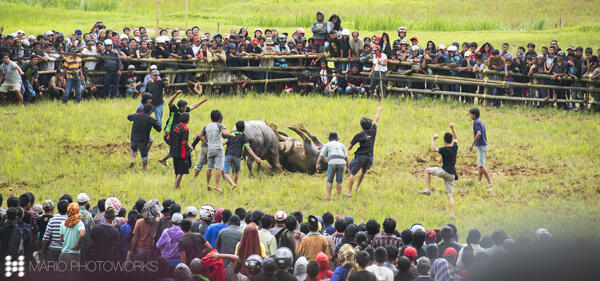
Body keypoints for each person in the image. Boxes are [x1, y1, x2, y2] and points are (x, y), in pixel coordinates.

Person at [418, 123, 458, 217]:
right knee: (450, 195)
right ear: (451, 140)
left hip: (444, 171)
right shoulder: (455, 148)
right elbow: (456, 138)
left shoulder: (444, 149)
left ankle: (427, 189)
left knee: (427, 170)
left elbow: (433, 149)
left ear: (444, 141)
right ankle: (451, 214)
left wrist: (433, 139)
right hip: (452, 174)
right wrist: (452, 128)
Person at [158, 90, 208, 166]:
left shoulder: (185, 111)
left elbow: (194, 106)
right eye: (184, 107)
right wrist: (176, 94)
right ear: (181, 107)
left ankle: (164, 160)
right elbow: (170, 103)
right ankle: (177, 165)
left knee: (176, 148)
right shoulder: (174, 110)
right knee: (178, 149)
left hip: (176, 134)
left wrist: (203, 101)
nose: (186, 108)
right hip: (168, 134)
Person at [346, 106, 383, 197]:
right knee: (363, 171)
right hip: (370, 157)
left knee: (352, 172)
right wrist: (378, 110)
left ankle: (349, 192)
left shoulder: (359, 135)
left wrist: (344, 150)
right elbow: (376, 120)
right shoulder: (373, 130)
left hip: (360, 157)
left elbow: (350, 147)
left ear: (362, 126)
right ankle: (357, 187)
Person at [197, 110, 237, 193]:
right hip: (218, 149)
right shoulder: (220, 125)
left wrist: (205, 142)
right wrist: (232, 134)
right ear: (219, 119)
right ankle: (217, 185)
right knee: (219, 167)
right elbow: (224, 132)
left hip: (210, 149)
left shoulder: (206, 126)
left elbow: (199, 135)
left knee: (209, 167)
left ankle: (208, 184)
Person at [223, 121, 262, 186]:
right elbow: (248, 148)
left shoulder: (231, 134)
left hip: (228, 155)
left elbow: (224, 143)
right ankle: (235, 184)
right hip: (237, 157)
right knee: (236, 172)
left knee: (225, 172)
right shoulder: (244, 137)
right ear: (244, 128)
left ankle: (232, 184)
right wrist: (256, 157)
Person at [128, 103, 162, 169]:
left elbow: (129, 117)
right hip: (143, 140)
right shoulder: (151, 119)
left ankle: (132, 160)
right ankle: (144, 168)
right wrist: (155, 122)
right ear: (150, 111)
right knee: (144, 154)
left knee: (133, 149)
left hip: (134, 138)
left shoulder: (136, 115)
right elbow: (159, 129)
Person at [316, 131, 349, 200]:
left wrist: (317, 164)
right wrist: (347, 168)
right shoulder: (342, 145)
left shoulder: (327, 145)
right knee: (339, 181)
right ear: (337, 139)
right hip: (342, 162)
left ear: (329, 139)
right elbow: (346, 157)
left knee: (329, 180)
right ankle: (338, 196)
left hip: (332, 162)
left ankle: (329, 196)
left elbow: (321, 155)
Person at [468, 108, 492, 186]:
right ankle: (478, 181)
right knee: (480, 165)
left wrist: (472, 144)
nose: (470, 116)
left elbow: (479, 134)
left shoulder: (476, 122)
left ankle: (489, 182)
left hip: (482, 146)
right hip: (483, 145)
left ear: (474, 115)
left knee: (481, 165)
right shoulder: (480, 121)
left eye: (471, 114)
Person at [58, 203, 86, 267]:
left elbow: (62, 238)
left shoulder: (63, 223)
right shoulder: (79, 223)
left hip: (63, 254)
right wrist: (77, 246)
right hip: (74, 255)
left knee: (61, 276)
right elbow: (82, 234)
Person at [170, 112, 192, 189]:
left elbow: (169, 138)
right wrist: (190, 147)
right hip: (182, 153)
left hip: (174, 152)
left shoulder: (175, 126)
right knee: (181, 171)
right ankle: (175, 186)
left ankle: (178, 186)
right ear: (188, 120)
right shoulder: (185, 128)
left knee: (177, 170)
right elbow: (185, 142)